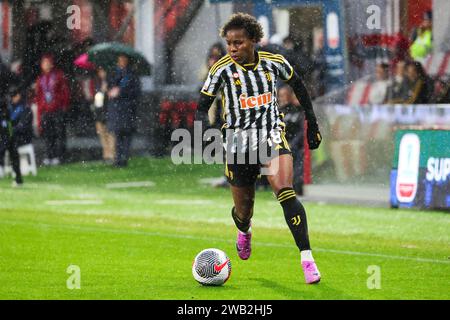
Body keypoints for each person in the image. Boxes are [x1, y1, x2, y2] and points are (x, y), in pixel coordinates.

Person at [196, 13, 322, 284]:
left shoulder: (273, 62)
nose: (232, 49)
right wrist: (204, 133)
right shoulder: (222, 69)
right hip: (238, 144)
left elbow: (299, 85)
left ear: (253, 40)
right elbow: (201, 107)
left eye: (238, 43)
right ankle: (244, 229)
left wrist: (312, 120)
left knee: (285, 192)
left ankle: (307, 258)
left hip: (271, 136)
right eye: (229, 43)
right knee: (244, 210)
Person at [35, 54, 70, 165]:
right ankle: (49, 155)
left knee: (59, 133)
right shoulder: (40, 79)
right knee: (48, 134)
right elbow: (39, 96)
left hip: (57, 109)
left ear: (51, 64)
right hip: (46, 110)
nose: (46, 65)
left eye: (47, 62)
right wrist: (40, 109)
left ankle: (60, 156)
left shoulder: (58, 76)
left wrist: (64, 105)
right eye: (44, 63)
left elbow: (65, 92)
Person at [107, 54, 141, 167]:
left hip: (127, 109)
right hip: (116, 109)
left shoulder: (131, 75)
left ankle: (124, 158)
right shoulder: (112, 74)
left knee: (126, 134)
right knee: (117, 135)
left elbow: (136, 92)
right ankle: (117, 158)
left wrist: (121, 92)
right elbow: (108, 88)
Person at [278, 85, 305, 195]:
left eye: (284, 95)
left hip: (299, 146)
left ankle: (295, 185)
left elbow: (302, 132)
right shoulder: (282, 111)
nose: (281, 98)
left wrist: (291, 144)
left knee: (297, 156)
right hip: (285, 144)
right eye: (280, 96)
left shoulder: (302, 112)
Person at [92, 67, 115, 163]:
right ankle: (106, 155)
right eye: (100, 71)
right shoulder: (97, 82)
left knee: (110, 135)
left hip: (108, 112)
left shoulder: (111, 82)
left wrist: (106, 91)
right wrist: (101, 91)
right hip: (99, 112)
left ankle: (112, 155)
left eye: (103, 71)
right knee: (102, 134)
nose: (102, 73)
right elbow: (96, 99)